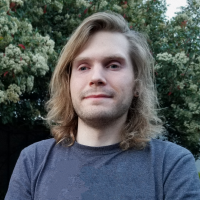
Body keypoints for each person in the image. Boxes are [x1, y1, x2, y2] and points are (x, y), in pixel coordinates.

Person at [5, 12, 200, 200]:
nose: (96, 77)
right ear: (69, 84)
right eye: (83, 67)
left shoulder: (172, 164)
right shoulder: (33, 161)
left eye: (113, 65)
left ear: (137, 84)